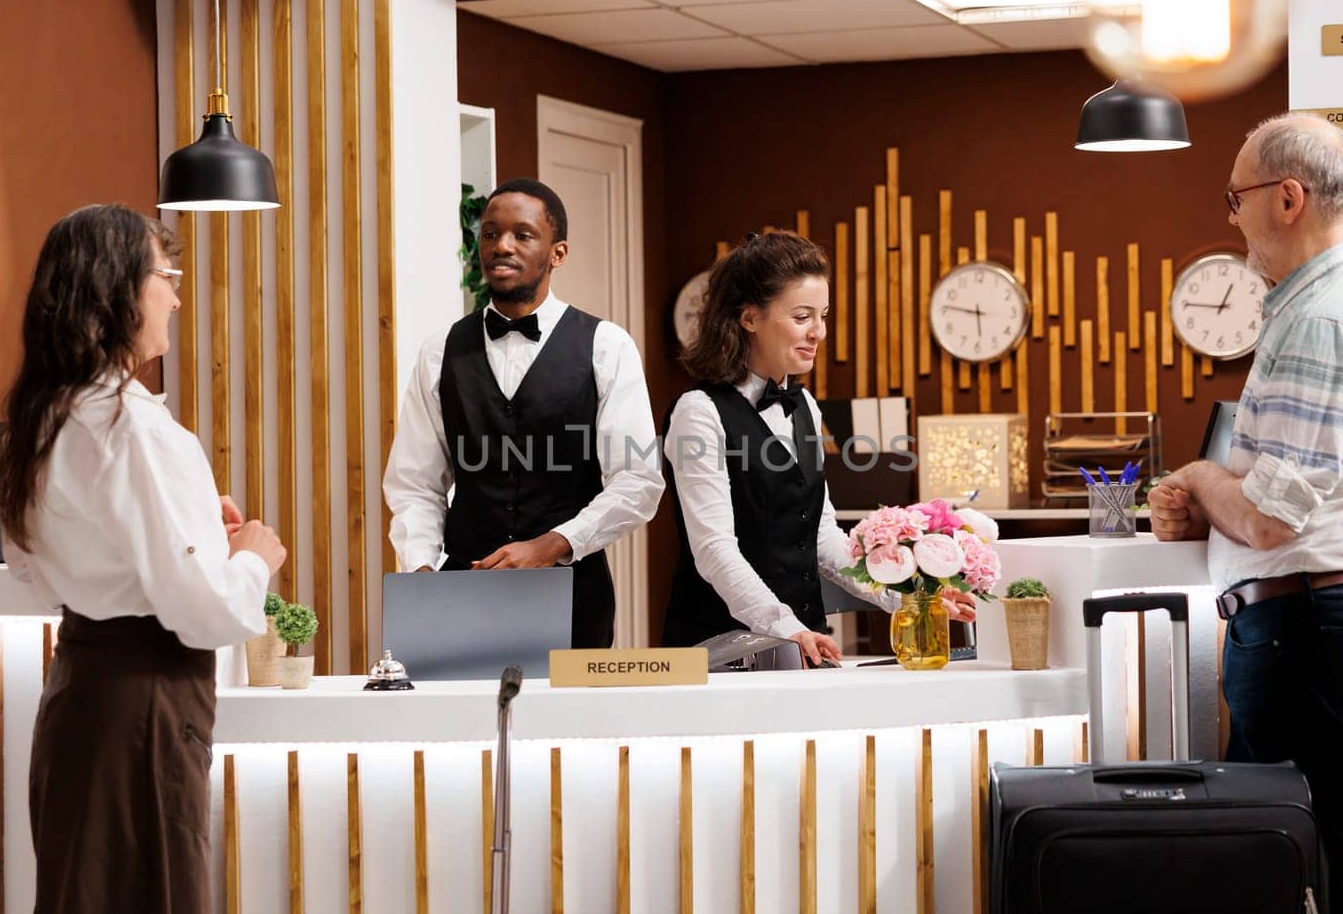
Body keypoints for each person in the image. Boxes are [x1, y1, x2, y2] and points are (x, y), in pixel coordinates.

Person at [1148, 113, 1343, 914]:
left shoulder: (1324, 319)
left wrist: (1201, 480)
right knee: (1330, 870)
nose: (1231, 218)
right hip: (1331, 621)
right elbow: (1295, 493)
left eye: (1235, 199)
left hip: (1306, 628)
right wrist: (1220, 502)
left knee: (1316, 874)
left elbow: (1273, 521)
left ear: (1287, 197)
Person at [0, 204, 287, 914]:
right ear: (120, 290)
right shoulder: (138, 429)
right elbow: (204, 609)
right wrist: (252, 558)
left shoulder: (41, 418)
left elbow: (30, 571)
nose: (177, 299)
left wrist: (183, 539)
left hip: (79, 693)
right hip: (149, 707)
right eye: (169, 279)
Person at [661, 231, 977, 666]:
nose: (818, 332)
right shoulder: (699, 412)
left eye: (823, 316)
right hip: (723, 649)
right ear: (749, 317)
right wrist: (785, 625)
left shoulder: (805, 405)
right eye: (802, 316)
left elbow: (823, 537)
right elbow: (714, 550)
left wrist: (909, 597)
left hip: (802, 645)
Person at [383, 178, 663, 648]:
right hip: (461, 595)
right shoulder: (440, 352)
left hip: (575, 596)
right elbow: (415, 483)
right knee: (460, 721)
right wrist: (422, 569)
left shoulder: (606, 346)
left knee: (570, 724)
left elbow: (638, 481)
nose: (501, 246)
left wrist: (551, 545)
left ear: (558, 252)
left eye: (522, 234)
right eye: (490, 234)